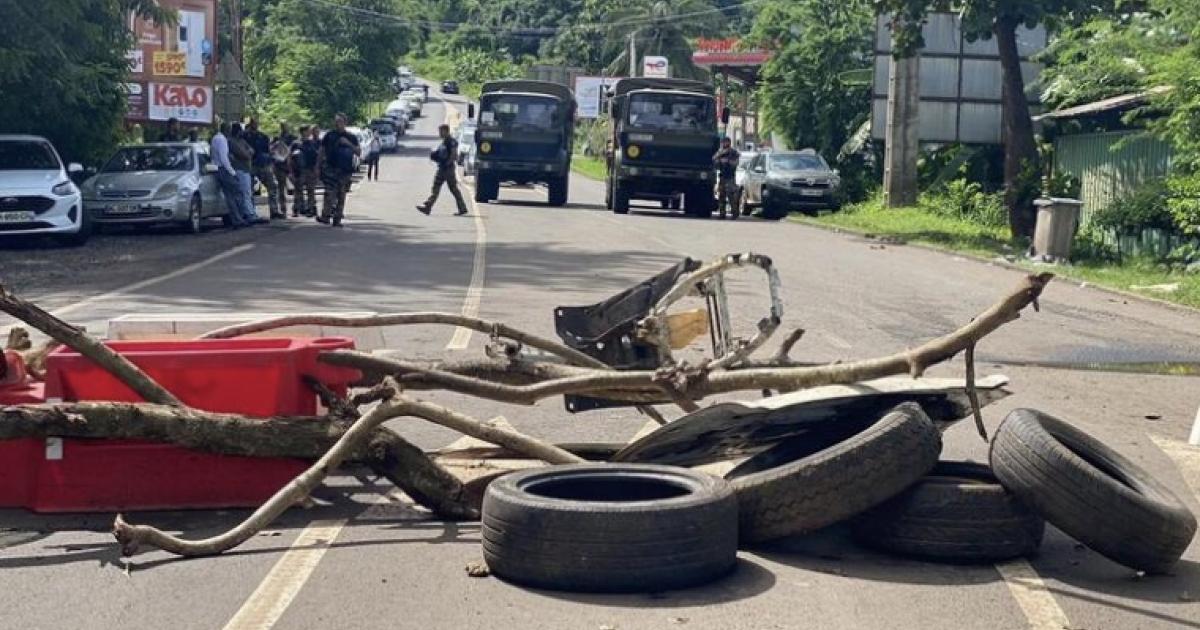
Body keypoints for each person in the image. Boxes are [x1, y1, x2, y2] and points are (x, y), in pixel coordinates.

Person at [318, 114, 360, 227]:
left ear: (345, 122)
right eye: (336, 121)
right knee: (329, 193)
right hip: (330, 168)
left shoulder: (351, 137)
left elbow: (358, 152)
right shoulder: (329, 135)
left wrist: (348, 144)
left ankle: (337, 219)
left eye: (340, 121)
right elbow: (322, 150)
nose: (337, 123)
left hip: (345, 170)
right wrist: (318, 166)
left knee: (341, 195)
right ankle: (325, 216)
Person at [416, 124, 468, 216]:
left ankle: (462, 208)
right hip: (442, 168)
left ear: (446, 131)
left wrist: (447, 164)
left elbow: (454, 155)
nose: (439, 133)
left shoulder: (451, 142)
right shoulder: (444, 142)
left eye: (441, 131)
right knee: (436, 187)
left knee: (453, 189)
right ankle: (428, 206)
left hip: (447, 169)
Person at [211, 123, 248, 228]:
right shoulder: (222, 140)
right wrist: (232, 172)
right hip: (224, 169)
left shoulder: (215, 138)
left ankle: (236, 219)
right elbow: (224, 158)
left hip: (218, 169)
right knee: (239, 191)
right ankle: (240, 216)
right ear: (226, 130)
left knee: (229, 196)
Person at [246, 118, 283, 219]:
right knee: (249, 190)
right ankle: (251, 212)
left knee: (273, 186)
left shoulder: (263, 136)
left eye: (257, 123)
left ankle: (274, 210)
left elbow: (268, 150)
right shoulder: (245, 136)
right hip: (251, 164)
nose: (255, 125)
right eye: (254, 123)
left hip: (264, 164)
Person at [229, 122, 261, 225]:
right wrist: (248, 153)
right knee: (244, 193)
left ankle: (251, 213)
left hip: (246, 169)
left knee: (248, 192)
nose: (241, 133)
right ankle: (249, 214)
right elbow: (244, 154)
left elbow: (252, 150)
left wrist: (248, 152)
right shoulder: (232, 141)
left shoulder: (242, 141)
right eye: (239, 131)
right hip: (239, 169)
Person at [290, 126, 321, 217]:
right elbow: (290, 157)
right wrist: (291, 172)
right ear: (302, 132)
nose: (309, 133)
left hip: (310, 169)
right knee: (298, 190)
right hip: (299, 170)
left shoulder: (312, 143)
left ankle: (311, 208)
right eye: (307, 131)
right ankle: (297, 209)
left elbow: (317, 156)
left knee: (310, 190)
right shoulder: (296, 143)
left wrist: (317, 168)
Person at [271, 123, 297, 216]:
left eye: (285, 126)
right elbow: (272, 151)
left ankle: (296, 209)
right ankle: (283, 209)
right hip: (280, 166)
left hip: (291, 166)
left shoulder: (293, 138)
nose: (284, 128)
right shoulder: (276, 139)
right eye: (282, 126)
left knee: (296, 188)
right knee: (281, 189)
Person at [713, 137, 741, 220]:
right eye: (723, 142)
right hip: (722, 177)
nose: (724, 144)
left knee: (731, 196)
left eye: (726, 142)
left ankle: (734, 213)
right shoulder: (720, 152)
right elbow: (714, 159)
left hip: (730, 177)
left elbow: (736, 163)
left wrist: (728, 161)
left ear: (729, 143)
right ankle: (722, 213)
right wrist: (720, 159)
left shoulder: (733, 152)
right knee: (721, 196)